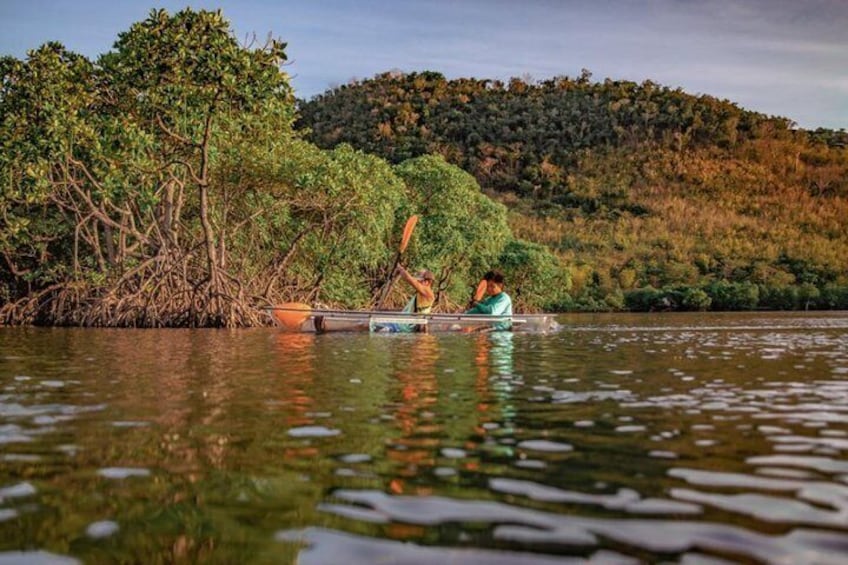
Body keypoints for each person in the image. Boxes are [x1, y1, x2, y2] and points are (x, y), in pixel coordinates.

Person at [372, 266, 435, 332]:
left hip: (408, 325)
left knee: (376, 325)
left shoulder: (428, 292)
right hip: (405, 322)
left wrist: (400, 268)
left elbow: (409, 279)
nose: (419, 282)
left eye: (421, 280)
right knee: (378, 324)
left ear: (427, 282)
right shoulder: (420, 294)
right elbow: (410, 309)